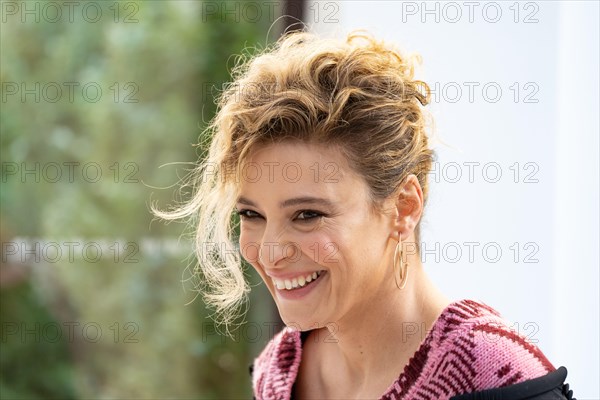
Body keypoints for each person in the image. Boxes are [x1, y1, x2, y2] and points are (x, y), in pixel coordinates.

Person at [154, 30, 576, 399]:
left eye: (306, 215)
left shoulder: (497, 380)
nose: (270, 252)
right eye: (251, 214)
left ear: (404, 206)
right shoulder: (280, 371)